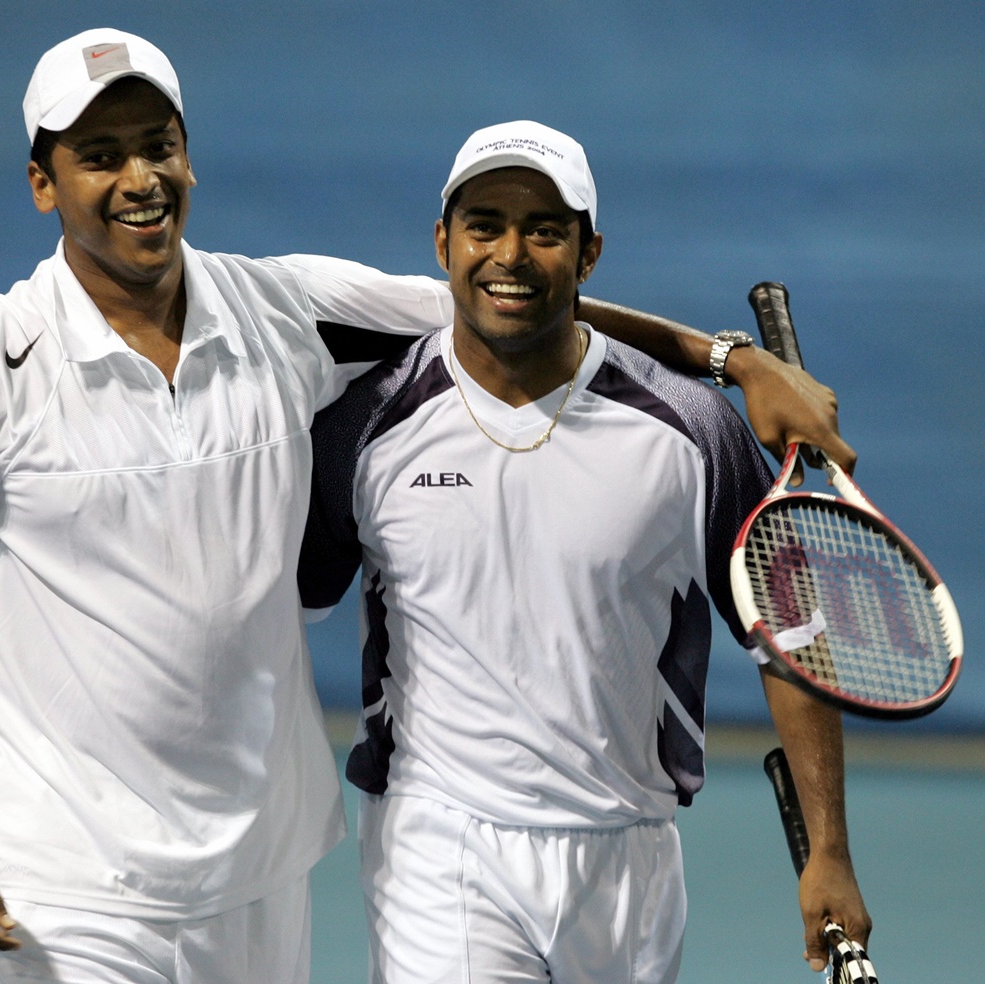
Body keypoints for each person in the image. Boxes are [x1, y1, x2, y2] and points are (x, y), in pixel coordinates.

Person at [0, 29, 853, 984]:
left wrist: (728, 358)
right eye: (100, 156)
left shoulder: (287, 309)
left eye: (159, 147)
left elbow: (511, 300)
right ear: (45, 183)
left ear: (188, 156)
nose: (139, 180)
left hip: (262, 865)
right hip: (67, 879)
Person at [299, 120, 870, 984]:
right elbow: (286, 598)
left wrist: (828, 850)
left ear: (589, 252)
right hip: (437, 842)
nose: (511, 254)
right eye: (485, 224)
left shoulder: (695, 431)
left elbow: (792, 637)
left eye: (545, 231)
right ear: (443, 242)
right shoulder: (368, 426)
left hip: (630, 855)